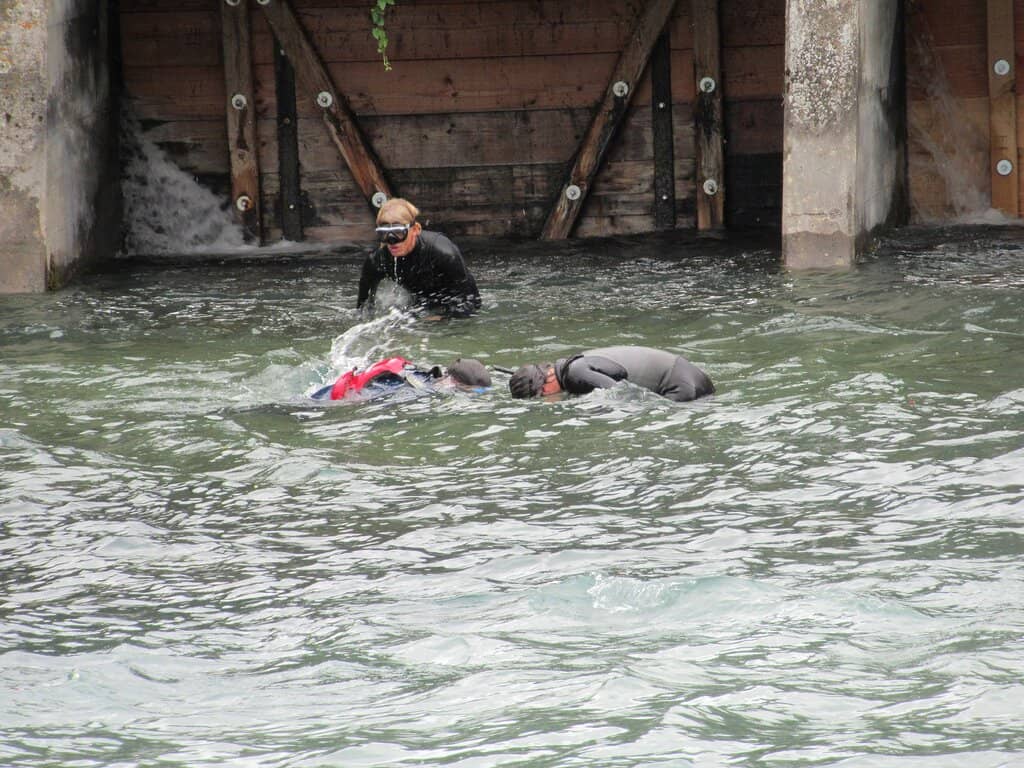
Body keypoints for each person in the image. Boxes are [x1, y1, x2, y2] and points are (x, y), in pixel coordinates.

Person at [357, 198, 481, 318]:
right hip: (419, 304)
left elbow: (471, 302)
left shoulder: (443, 253)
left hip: (451, 304)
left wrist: (437, 319)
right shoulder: (376, 261)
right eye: (384, 233)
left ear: (415, 229)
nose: (391, 240)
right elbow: (363, 307)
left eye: (399, 232)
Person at [508, 345, 714, 402]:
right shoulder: (574, 366)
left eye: (541, 396)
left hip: (679, 384)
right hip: (688, 374)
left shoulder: (575, 373)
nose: (547, 400)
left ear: (545, 383)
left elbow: (620, 391)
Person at [311, 356, 491, 401]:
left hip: (326, 391)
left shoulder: (422, 376)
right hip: (326, 401)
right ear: (452, 382)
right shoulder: (413, 389)